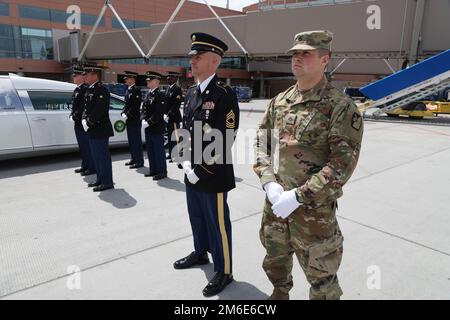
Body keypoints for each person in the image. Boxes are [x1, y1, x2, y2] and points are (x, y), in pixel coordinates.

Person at [253, 30, 364, 300]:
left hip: (314, 215)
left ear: (325, 59)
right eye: (295, 53)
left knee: (322, 282)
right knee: (275, 265)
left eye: (306, 53)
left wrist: (298, 196)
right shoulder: (279, 102)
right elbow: (261, 143)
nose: (297, 59)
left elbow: (341, 166)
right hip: (276, 207)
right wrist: (269, 183)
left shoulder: (340, 106)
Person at [173, 33, 240, 297]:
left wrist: (200, 170)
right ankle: (201, 252)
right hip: (192, 171)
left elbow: (226, 137)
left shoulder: (224, 94)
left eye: (197, 57)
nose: (192, 61)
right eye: (191, 57)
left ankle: (224, 271)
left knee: (218, 223)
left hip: (212, 174)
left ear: (214, 61)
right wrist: (184, 161)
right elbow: (183, 128)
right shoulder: (190, 93)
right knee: (197, 217)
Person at [82, 65, 115, 192]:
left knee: (102, 156)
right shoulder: (90, 89)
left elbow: (99, 110)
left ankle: (107, 182)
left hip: (100, 128)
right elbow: (86, 108)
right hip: (92, 129)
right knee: (96, 156)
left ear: (94, 75)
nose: (85, 76)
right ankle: (100, 179)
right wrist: (84, 119)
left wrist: (89, 121)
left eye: (87, 74)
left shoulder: (102, 90)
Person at [141, 71, 167, 181]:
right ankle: (153, 170)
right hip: (148, 128)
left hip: (156, 127)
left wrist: (149, 122)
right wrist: (142, 119)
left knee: (158, 151)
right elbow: (143, 109)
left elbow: (159, 112)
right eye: (147, 80)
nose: (147, 82)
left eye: (150, 80)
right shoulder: (148, 94)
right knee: (150, 151)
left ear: (156, 82)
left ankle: (162, 171)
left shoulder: (160, 95)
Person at [69, 66, 95, 176]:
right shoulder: (77, 89)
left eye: (75, 75)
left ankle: (91, 167)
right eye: (73, 75)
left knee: (87, 146)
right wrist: (72, 114)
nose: (73, 77)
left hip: (82, 122)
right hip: (77, 123)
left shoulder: (85, 89)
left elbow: (83, 107)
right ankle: (85, 165)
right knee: (82, 146)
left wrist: (75, 116)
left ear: (81, 76)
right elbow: (74, 106)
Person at [121, 71, 144, 169]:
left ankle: (139, 160)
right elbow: (126, 105)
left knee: (136, 141)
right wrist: (123, 112)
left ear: (133, 79)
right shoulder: (128, 90)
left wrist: (128, 115)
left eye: (127, 78)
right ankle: (134, 158)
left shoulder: (136, 90)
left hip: (134, 120)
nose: (125, 80)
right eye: (125, 79)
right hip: (129, 120)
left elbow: (135, 106)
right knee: (131, 141)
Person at [164, 71, 183, 162]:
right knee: (170, 137)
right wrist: (164, 114)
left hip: (174, 118)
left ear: (175, 79)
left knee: (175, 137)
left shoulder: (177, 89)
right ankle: (171, 153)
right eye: (167, 77)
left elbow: (176, 105)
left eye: (170, 77)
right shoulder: (168, 89)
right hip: (168, 118)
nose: (168, 79)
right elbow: (166, 104)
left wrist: (168, 114)